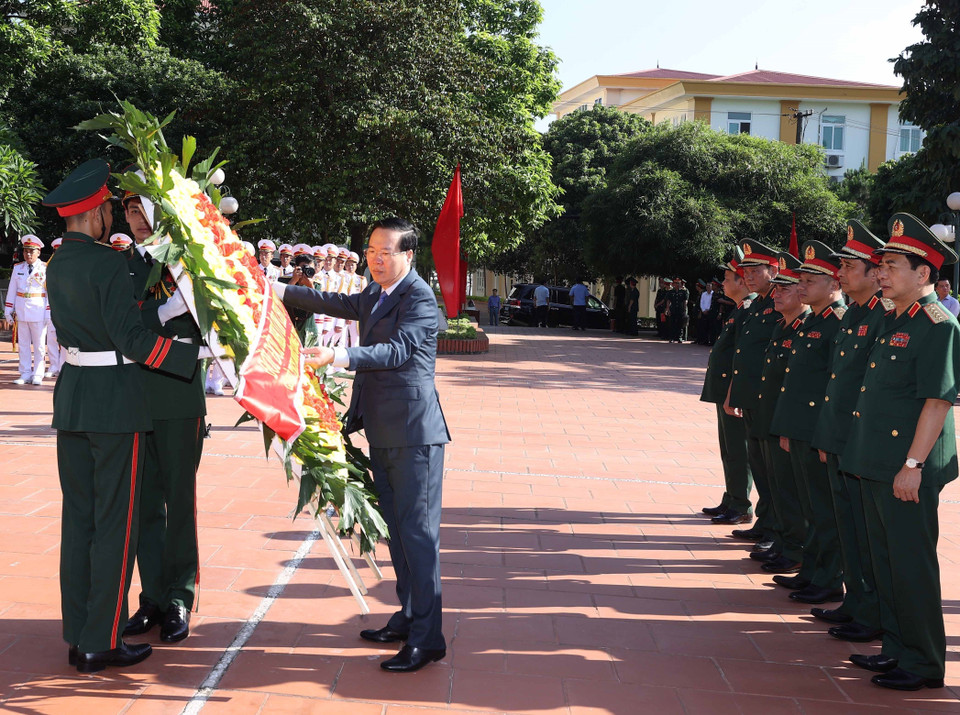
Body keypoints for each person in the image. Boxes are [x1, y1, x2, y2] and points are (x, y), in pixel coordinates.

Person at [40, 159, 204, 673]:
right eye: (113, 206)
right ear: (93, 214)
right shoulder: (109, 263)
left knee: (80, 524)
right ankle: (101, 641)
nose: (117, 214)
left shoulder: (57, 263)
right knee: (116, 525)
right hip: (116, 402)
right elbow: (129, 339)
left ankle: (81, 630)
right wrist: (191, 357)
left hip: (74, 401)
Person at [275, 217, 450, 673]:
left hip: (414, 434)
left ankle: (429, 638)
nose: (375, 257)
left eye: (386, 251)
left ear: (408, 256)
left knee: (419, 536)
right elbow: (335, 300)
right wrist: (277, 291)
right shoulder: (375, 293)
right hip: (381, 429)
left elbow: (399, 351)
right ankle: (410, 614)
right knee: (397, 529)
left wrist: (340, 355)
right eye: (372, 249)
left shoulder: (420, 298)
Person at [841, 213, 959, 691]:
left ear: (924, 273)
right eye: (882, 264)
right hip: (873, 462)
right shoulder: (895, 319)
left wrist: (912, 466)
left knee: (910, 565)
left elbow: (936, 402)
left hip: (905, 466)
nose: (882, 273)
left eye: (891, 265)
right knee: (885, 562)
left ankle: (925, 661)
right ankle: (896, 648)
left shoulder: (937, 325)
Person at [121, 183, 207, 646]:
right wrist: (163, 313)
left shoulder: (185, 260)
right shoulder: (125, 263)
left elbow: (205, 314)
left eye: (142, 207)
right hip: (137, 394)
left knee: (178, 499)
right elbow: (124, 322)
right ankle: (151, 594)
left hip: (177, 392)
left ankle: (179, 594)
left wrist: (171, 309)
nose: (135, 217)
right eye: (129, 209)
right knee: (144, 503)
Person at [809, 220, 887, 642]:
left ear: (875, 272)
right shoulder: (855, 313)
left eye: (847, 266)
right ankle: (856, 602)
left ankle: (871, 611)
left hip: (861, 441)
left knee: (865, 531)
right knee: (850, 528)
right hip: (840, 437)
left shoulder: (883, 316)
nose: (840, 272)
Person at [768, 241, 847, 605]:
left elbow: (835, 383)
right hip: (800, 427)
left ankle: (828, 578)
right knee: (811, 505)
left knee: (825, 509)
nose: (801, 286)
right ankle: (812, 571)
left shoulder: (838, 322)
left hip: (818, 429)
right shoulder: (813, 319)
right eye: (800, 279)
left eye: (810, 280)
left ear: (834, 284)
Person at [748, 253, 810, 576]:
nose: (778, 294)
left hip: (790, 424)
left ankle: (795, 548)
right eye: (778, 289)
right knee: (778, 486)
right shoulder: (784, 326)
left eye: (785, 290)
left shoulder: (802, 327)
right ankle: (787, 545)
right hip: (773, 418)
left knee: (791, 491)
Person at [724, 240, 781, 535]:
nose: (747, 275)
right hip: (750, 397)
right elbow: (743, 352)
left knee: (773, 470)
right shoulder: (757, 304)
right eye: (744, 270)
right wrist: (734, 390)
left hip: (767, 399)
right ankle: (766, 521)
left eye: (754, 270)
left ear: (773, 269)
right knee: (758, 464)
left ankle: (775, 527)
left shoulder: (780, 303)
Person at [699, 248, 756, 524]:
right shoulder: (740, 309)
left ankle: (741, 503)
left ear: (742, 281)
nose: (723, 284)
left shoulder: (748, 309)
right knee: (728, 447)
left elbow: (743, 357)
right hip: (726, 390)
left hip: (734, 392)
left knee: (738, 449)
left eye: (728, 278)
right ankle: (732, 496)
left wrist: (734, 392)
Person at [3, 234, 48, 385]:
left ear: (38, 252)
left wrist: (48, 312)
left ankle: (38, 373)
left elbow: (49, 293)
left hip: (38, 311)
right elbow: (12, 290)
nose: (28, 254)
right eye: (26, 251)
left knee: (40, 346)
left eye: (31, 251)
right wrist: (8, 310)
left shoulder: (45, 268)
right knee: (23, 345)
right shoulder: (18, 268)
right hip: (22, 311)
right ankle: (25, 373)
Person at [46, 237, 64, 378]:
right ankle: (53, 365)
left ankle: (64, 365)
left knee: (65, 338)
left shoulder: (71, 266)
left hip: (67, 309)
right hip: (50, 308)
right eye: (56, 251)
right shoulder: (47, 267)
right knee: (51, 337)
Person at [698, 280, 714, 344]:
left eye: (709, 286)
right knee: (704, 327)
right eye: (707, 286)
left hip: (710, 312)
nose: (708, 287)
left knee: (710, 327)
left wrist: (708, 310)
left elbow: (712, 303)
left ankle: (710, 340)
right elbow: (702, 302)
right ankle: (705, 340)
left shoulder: (713, 294)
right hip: (704, 311)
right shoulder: (704, 294)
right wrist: (703, 310)